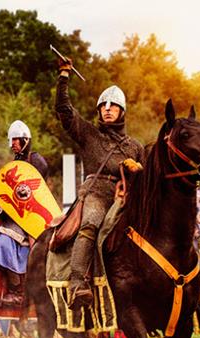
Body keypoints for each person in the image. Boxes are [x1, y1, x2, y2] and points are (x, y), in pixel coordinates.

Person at [55, 57, 144, 309]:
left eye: (112, 106)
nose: (107, 108)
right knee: (91, 221)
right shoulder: (89, 134)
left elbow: (146, 184)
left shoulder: (135, 147)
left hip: (124, 199)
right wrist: (64, 76)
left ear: (122, 111)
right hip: (95, 193)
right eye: (103, 105)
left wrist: (137, 171)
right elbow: (64, 110)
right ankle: (77, 284)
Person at [0, 120, 48, 307]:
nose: (12, 143)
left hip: (29, 215)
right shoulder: (15, 163)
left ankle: (17, 292)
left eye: (15, 140)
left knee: (4, 242)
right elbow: (1, 182)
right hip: (14, 213)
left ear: (24, 140)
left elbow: (35, 181)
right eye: (11, 140)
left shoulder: (33, 160)